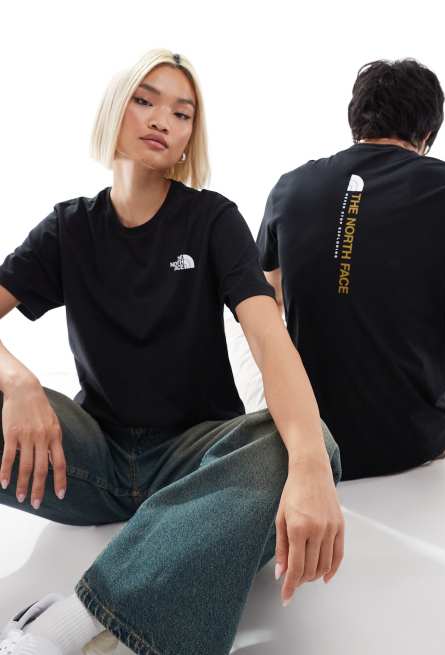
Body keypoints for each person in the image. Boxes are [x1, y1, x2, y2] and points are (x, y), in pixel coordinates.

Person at [0, 48, 343, 655]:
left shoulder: (211, 221)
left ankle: (76, 621)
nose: (163, 120)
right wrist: (18, 383)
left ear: (189, 138)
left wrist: (313, 469)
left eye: (182, 114)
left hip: (196, 460)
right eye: (145, 101)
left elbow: (269, 339)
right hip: (92, 459)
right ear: (116, 109)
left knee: (304, 444)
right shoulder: (69, 227)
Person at [256, 58, 445, 552]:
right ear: (428, 133)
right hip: (413, 442)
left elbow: (265, 307)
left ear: (356, 121)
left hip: (311, 441)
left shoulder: (289, 187)